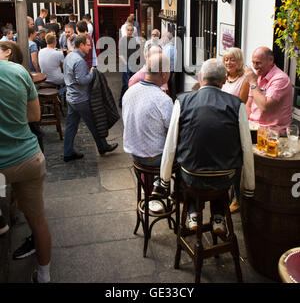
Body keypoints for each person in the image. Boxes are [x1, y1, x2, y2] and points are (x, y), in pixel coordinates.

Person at [154, 58, 255, 233]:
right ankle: (218, 216)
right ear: (224, 80)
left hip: (192, 176)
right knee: (218, 172)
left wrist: (164, 180)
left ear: (200, 77)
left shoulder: (182, 101)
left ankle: (193, 213)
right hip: (225, 178)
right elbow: (247, 147)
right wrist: (249, 188)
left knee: (186, 169)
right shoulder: (237, 104)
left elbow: (170, 144)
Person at [0, 43, 51, 282]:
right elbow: (34, 116)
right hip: (28, 157)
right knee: (38, 221)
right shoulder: (20, 72)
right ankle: (44, 275)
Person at [122, 52, 172, 211]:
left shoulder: (129, 91)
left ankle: (152, 189)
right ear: (164, 74)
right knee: (186, 153)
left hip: (134, 154)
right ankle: (173, 192)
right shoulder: (163, 99)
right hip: (153, 159)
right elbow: (173, 132)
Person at [63, 35, 118, 161]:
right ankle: (103, 146)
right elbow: (82, 80)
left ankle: (68, 152)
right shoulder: (79, 61)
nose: (90, 47)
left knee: (71, 126)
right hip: (81, 99)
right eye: (88, 44)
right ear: (81, 45)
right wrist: (92, 73)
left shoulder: (69, 56)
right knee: (94, 123)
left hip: (71, 98)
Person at [222, 47, 250, 213]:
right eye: (226, 59)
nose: (228, 63)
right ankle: (225, 192)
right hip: (223, 124)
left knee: (235, 161)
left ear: (239, 62)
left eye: (232, 59)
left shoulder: (244, 80)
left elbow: (240, 104)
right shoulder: (223, 78)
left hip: (235, 124)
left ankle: (237, 199)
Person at [245, 47, 293, 135]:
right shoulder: (258, 77)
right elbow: (249, 104)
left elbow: (264, 107)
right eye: (253, 63)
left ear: (271, 60)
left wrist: (253, 82)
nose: (255, 67)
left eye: (258, 63)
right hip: (254, 128)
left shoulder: (280, 79)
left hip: (273, 134)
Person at [118, 24, 140, 107]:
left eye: (131, 30)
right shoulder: (122, 40)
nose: (130, 32)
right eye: (128, 30)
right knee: (125, 84)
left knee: (133, 84)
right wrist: (126, 63)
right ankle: (121, 102)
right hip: (125, 64)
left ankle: (131, 102)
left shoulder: (134, 40)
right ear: (126, 30)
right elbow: (120, 55)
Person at [162, 31, 177, 100]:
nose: (161, 39)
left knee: (168, 91)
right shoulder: (168, 47)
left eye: (162, 37)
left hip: (168, 72)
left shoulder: (169, 48)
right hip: (169, 72)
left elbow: (165, 63)